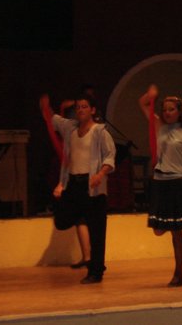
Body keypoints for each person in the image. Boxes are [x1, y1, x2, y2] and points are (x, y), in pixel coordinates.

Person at [138, 84, 182, 287]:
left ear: (179, 112)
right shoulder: (157, 126)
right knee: (158, 229)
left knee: (176, 232)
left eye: (171, 109)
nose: (167, 113)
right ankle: (178, 271)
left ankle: (178, 273)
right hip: (160, 182)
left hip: (177, 182)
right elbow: (142, 103)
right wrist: (150, 94)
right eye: (165, 109)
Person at [39, 93, 116, 284]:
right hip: (73, 183)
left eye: (84, 106)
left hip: (93, 186)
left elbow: (110, 156)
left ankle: (95, 271)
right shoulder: (70, 127)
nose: (80, 110)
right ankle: (81, 218)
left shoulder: (100, 132)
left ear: (93, 110)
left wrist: (100, 174)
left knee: (97, 232)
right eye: (78, 107)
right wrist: (45, 106)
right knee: (62, 220)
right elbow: (50, 118)